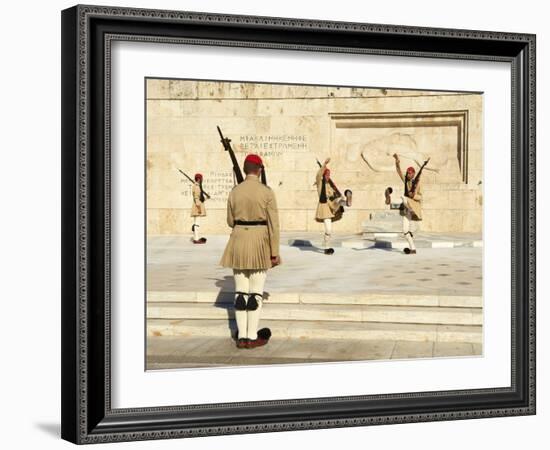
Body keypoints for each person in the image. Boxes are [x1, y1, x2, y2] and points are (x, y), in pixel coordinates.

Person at [220, 154, 281, 349]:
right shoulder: (267, 192)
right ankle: (251, 336)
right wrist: (274, 251)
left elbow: (230, 221)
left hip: (238, 240)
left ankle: (242, 336)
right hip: (258, 241)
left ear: (246, 170)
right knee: (255, 293)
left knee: (240, 293)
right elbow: (274, 225)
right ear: (259, 170)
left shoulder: (234, 191)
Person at [314, 158, 352, 255]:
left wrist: (339, 196)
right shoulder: (320, 183)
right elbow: (318, 175)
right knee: (328, 230)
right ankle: (327, 247)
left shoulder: (330, 185)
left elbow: (334, 194)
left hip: (332, 204)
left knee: (339, 200)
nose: (328, 176)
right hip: (325, 207)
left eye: (329, 175)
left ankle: (347, 202)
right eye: (326, 174)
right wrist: (324, 164)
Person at [393, 153, 426, 254]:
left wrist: (413, 196)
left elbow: (421, 197)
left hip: (413, 206)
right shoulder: (406, 182)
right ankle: (413, 248)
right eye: (407, 173)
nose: (408, 175)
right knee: (405, 231)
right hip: (407, 209)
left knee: (403, 197)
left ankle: (408, 206)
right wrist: (397, 162)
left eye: (410, 173)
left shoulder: (418, 184)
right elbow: (399, 171)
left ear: (414, 174)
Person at [190, 173, 208, 244]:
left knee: (196, 223)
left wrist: (206, 198)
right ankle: (196, 239)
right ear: (199, 179)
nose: (202, 180)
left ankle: (196, 237)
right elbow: (196, 198)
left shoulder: (197, 186)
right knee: (197, 224)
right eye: (201, 178)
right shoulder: (197, 187)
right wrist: (199, 208)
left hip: (198, 206)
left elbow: (200, 199)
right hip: (197, 207)